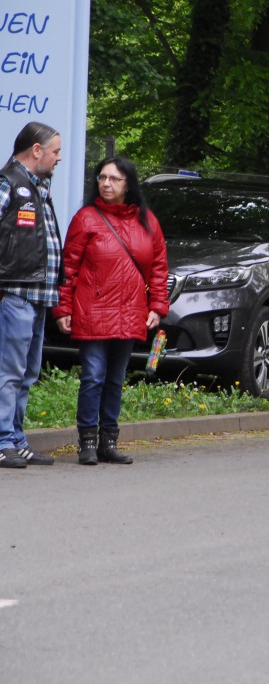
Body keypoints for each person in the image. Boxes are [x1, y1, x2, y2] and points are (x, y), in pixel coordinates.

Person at [54, 157, 169, 465]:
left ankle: (109, 442)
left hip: (131, 310)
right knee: (93, 376)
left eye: (113, 179)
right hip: (92, 309)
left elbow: (159, 267)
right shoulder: (86, 219)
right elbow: (68, 268)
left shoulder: (148, 221)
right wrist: (63, 308)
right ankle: (88, 442)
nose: (105, 184)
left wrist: (158, 306)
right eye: (102, 178)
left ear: (128, 184)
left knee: (116, 378)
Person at [0, 121, 65, 468]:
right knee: (8, 372)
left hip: (39, 296)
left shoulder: (39, 188)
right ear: (36, 150)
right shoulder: (7, 182)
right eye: (55, 151)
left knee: (27, 373)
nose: (58, 159)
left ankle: (16, 438)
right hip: (14, 294)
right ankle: (1, 441)